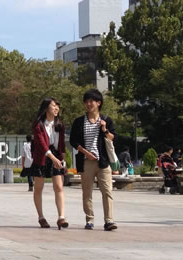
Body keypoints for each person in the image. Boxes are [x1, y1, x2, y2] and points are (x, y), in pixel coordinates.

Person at [69, 88, 117, 231]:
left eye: (92, 101)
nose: (89, 104)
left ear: (99, 103)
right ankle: (89, 219)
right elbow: (73, 141)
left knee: (107, 191)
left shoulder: (106, 120)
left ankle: (109, 220)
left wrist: (105, 129)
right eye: (87, 101)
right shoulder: (79, 121)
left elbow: (113, 138)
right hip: (86, 161)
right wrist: (85, 152)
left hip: (103, 162)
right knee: (87, 192)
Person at [29, 98, 68, 229]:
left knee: (59, 186)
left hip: (56, 157)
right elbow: (41, 144)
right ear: (46, 108)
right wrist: (52, 157)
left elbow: (62, 144)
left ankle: (61, 217)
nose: (56, 108)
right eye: (53, 106)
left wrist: (63, 159)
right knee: (38, 188)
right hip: (42, 157)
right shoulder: (38, 124)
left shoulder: (60, 125)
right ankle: (41, 217)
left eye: (58, 106)